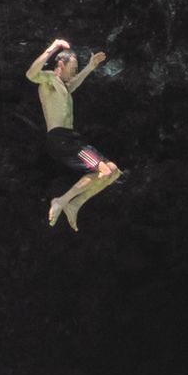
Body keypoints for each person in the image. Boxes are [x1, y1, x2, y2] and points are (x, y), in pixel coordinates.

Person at [26, 36, 121, 232]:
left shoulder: (64, 87)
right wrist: (53, 47)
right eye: (73, 66)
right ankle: (61, 201)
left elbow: (74, 84)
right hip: (60, 139)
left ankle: (75, 204)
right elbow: (31, 74)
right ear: (61, 63)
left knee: (113, 172)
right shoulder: (49, 79)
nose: (75, 70)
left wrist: (90, 67)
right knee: (103, 171)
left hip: (70, 138)